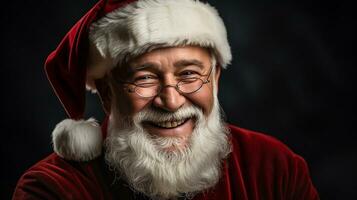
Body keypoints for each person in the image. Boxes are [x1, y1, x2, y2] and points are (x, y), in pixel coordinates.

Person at [13, 0, 319, 199]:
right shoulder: (52, 189)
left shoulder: (274, 167)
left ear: (214, 79)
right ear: (107, 93)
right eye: (144, 78)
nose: (171, 101)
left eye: (189, 74)